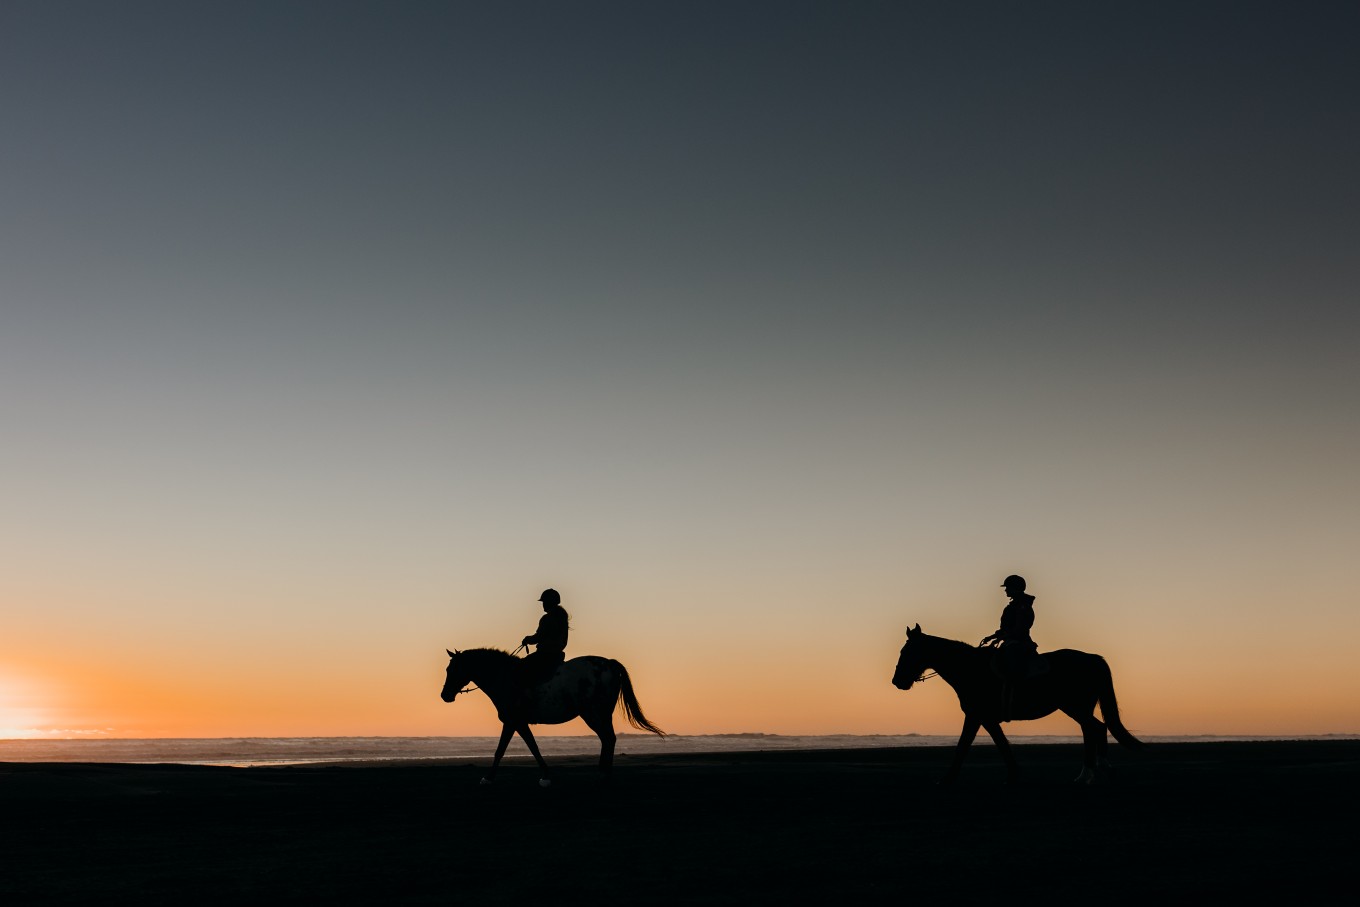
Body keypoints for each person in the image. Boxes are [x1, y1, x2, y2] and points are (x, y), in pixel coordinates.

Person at [980, 574, 1040, 719]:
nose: (1005, 590)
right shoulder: (1013, 606)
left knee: (1010, 669)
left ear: (1015, 589)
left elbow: (1020, 629)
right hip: (1009, 642)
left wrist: (1002, 637)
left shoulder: (1023, 607)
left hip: (1020, 644)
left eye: (1008, 587)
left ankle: (1013, 701)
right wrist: (992, 637)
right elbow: (1005, 629)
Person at [519, 587, 570, 689]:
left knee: (521, 670)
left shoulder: (547, 618)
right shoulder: (562, 618)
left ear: (548, 603)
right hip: (557, 655)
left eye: (544, 602)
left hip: (544, 655)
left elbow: (538, 637)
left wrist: (527, 639)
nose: (543, 605)